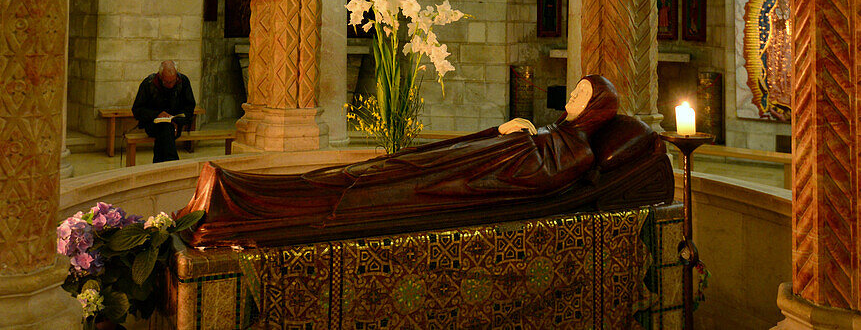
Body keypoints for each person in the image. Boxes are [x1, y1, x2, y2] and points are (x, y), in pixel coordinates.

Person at [178, 74, 672, 247]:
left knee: (357, 189)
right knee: (358, 173)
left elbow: (529, 185)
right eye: (578, 89)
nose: (574, 96)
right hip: (452, 166)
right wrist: (508, 134)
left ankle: (240, 200)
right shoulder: (552, 134)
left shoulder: (577, 150)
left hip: (452, 185)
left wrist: (515, 145)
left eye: (584, 95)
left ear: (597, 110)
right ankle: (237, 193)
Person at [131, 60, 196, 163]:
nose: (170, 85)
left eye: (173, 81)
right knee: (165, 128)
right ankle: (173, 164)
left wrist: (177, 120)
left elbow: (190, 107)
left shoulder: (183, 81)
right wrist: (157, 114)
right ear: (160, 77)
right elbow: (137, 110)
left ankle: (159, 166)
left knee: (166, 130)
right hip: (153, 125)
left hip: (176, 124)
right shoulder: (148, 83)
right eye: (167, 82)